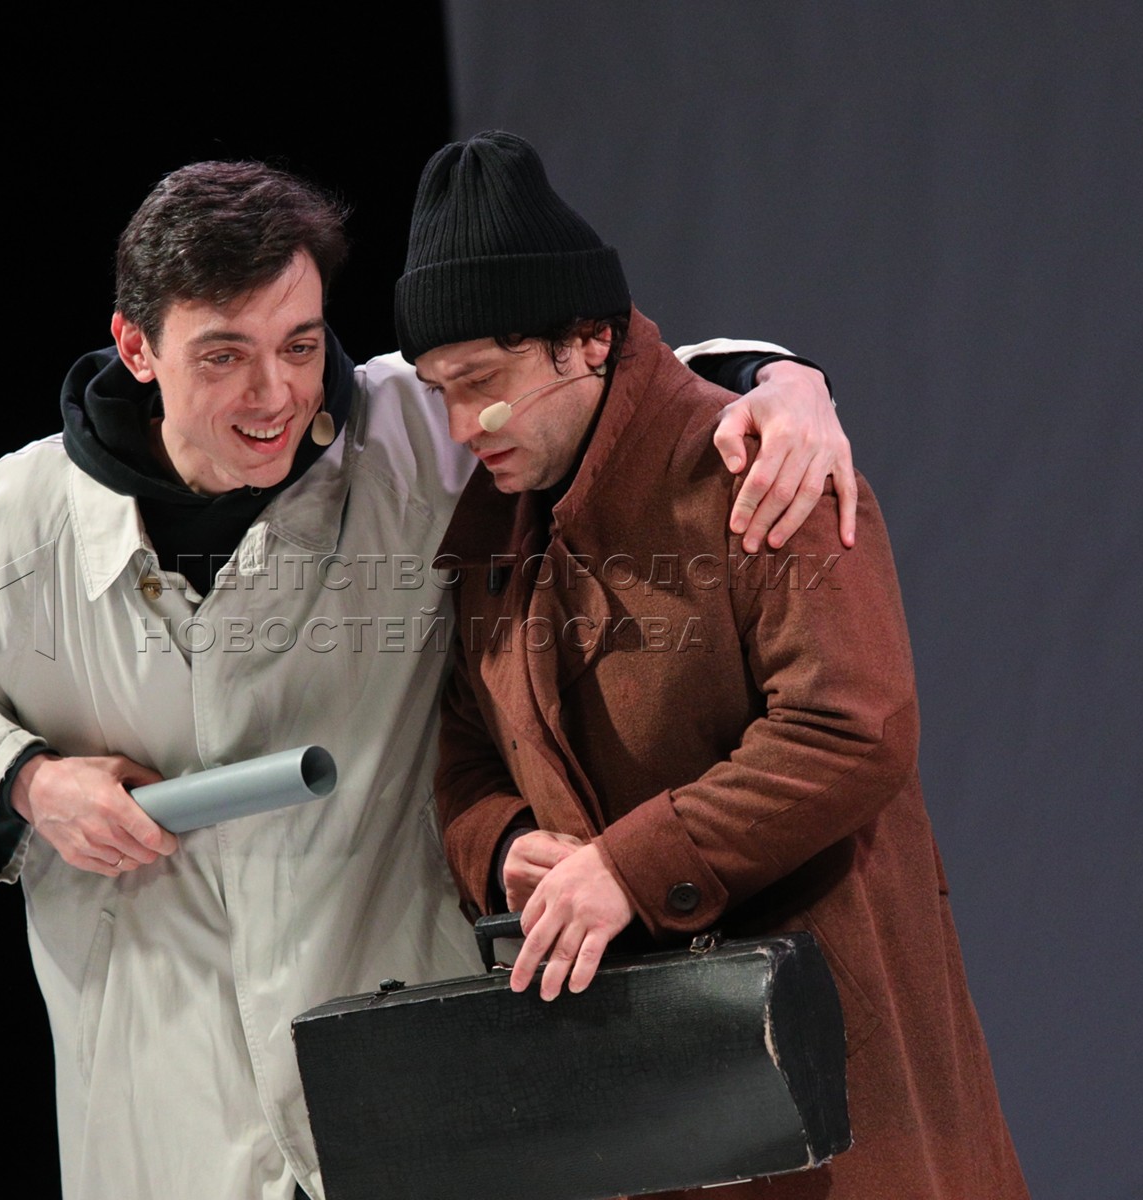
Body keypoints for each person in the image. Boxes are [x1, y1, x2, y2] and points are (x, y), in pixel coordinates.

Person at [0, 158, 852, 1200]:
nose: (275, 394)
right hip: (160, 1076)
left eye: (300, 345)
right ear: (137, 347)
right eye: (224, 355)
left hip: (411, 1044)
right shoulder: (14, 526)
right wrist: (27, 782)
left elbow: (603, 385)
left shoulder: (415, 433)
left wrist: (781, 383)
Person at [406, 131, 1027, 1197]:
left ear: (587, 342)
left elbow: (852, 728)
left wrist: (629, 869)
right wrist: (503, 847)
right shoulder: (490, 533)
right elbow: (463, 756)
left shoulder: (758, 470)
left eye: (484, 385)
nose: (462, 426)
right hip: (638, 1092)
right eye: (437, 391)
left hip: (832, 1066)